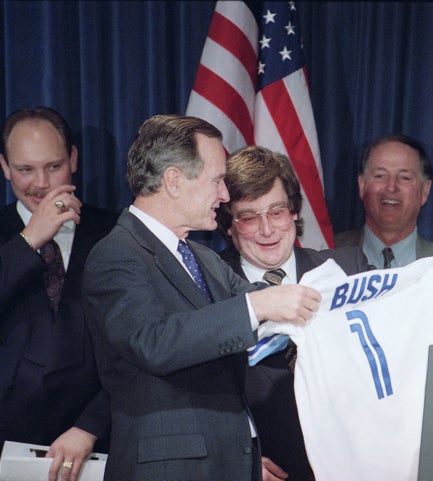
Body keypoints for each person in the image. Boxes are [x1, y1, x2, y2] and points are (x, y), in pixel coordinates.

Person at [82, 115, 321, 481]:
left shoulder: (200, 256)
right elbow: (153, 341)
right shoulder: (116, 254)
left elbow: (268, 305)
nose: (224, 195)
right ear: (174, 180)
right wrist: (258, 306)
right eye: (216, 180)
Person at [217, 145, 371, 481]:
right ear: (229, 225)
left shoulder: (346, 269)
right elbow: (188, 395)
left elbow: (402, 314)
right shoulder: (209, 292)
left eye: (276, 212)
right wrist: (234, 461)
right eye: (248, 217)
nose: (267, 230)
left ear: (295, 213)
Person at [0, 107, 115, 481]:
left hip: (100, 441)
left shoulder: (115, 233)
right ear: (4, 167)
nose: (41, 183)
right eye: (25, 169)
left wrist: (91, 425)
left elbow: (139, 347)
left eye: (53, 166)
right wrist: (30, 238)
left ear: (74, 160)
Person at [334, 133, 433, 343]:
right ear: (362, 185)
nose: (391, 187)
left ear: (425, 191)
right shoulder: (323, 258)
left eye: (405, 177)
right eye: (380, 175)